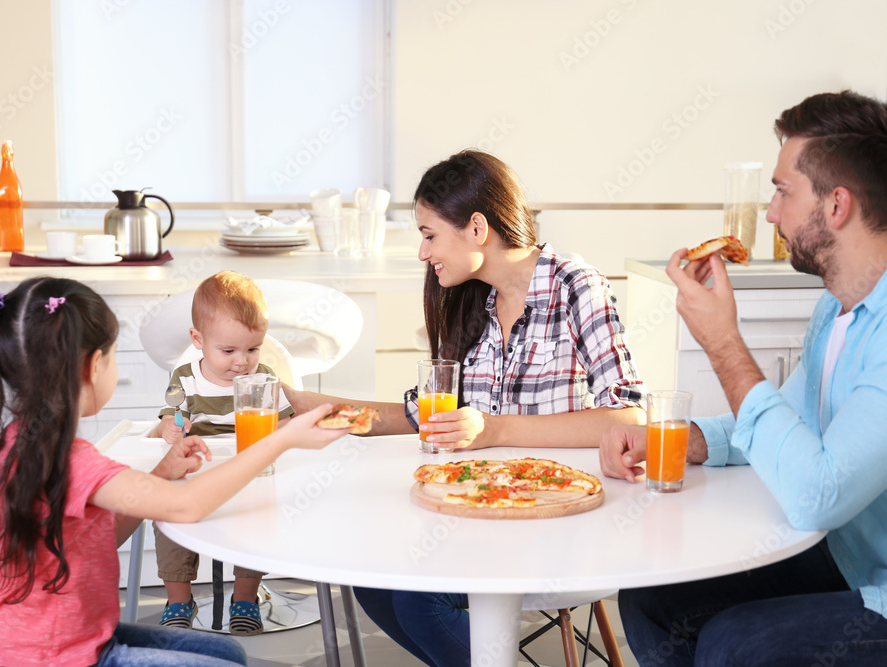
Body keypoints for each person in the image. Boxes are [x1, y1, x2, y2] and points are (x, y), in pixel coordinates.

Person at [285, 149, 646, 666]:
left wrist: (495, 430)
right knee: (372, 584)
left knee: (418, 601)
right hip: (474, 512)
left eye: (429, 234)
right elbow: (418, 416)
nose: (421, 252)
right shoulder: (471, 301)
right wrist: (303, 404)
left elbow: (629, 416)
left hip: (554, 520)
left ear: (477, 228)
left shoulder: (575, 286)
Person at [600, 90, 887, 666]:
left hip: (877, 585)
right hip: (843, 554)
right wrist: (689, 440)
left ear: (837, 206)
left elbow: (815, 495)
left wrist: (723, 342)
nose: (771, 214)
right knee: (653, 596)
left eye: (782, 191)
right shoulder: (835, 308)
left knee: (737, 645)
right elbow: (789, 419)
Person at [0, 276, 345, 667]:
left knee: (230, 655)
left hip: (43, 644)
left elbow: (99, 535)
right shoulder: (73, 461)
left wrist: (163, 474)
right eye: (114, 356)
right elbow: (186, 507)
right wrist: (282, 438)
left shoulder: (18, 441)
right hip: (61, 657)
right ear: (94, 366)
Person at [152, 271, 293, 635]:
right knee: (168, 520)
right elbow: (169, 419)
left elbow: (285, 425)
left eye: (252, 348)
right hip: (197, 473)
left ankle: (244, 597)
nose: (242, 361)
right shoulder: (185, 378)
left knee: (257, 519)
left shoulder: (263, 378)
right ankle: (179, 600)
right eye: (228, 350)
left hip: (249, 474)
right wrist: (170, 428)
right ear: (198, 340)